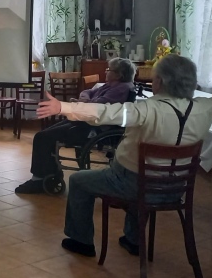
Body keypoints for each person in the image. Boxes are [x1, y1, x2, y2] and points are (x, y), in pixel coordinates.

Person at [36, 55, 212, 258]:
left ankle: (81, 241)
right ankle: (133, 240)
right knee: (144, 177)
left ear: (159, 82)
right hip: (176, 190)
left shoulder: (147, 109)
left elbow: (106, 113)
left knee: (79, 181)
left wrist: (63, 107)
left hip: (134, 185)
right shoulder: (206, 108)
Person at [16, 57, 136, 194]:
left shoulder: (121, 89)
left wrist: (82, 103)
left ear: (119, 74)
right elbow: (89, 92)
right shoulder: (110, 85)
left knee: (42, 137)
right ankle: (47, 174)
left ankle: (40, 179)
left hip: (94, 128)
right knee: (43, 135)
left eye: (109, 70)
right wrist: (84, 100)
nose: (106, 71)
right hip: (84, 121)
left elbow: (99, 106)